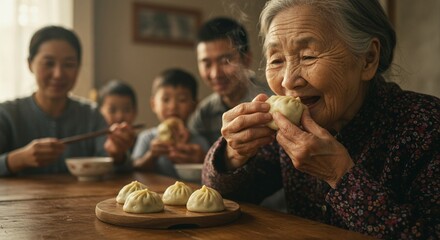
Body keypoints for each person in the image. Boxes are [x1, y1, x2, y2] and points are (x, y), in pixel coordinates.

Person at [202, 0, 440, 239]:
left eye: (308, 56)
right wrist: (235, 154)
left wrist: (340, 176)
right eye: (276, 60)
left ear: (368, 59)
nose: (287, 82)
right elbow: (221, 198)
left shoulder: (427, 125)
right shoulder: (287, 130)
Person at [0, 26, 136, 177]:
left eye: (69, 64)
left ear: (78, 68)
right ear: (30, 64)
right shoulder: (7, 115)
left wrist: (117, 154)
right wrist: (18, 159)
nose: (58, 74)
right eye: (49, 63)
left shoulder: (91, 115)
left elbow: (118, 168)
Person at [188, 17, 273, 146]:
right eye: (207, 64)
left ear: (246, 59)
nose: (215, 74)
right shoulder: (203, 114)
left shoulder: (272, 101)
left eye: (225, 61)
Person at [132, 68, 210, 179]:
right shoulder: (147, 138)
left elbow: (209, 174)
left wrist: (200, 159)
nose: (173, 106)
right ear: (153, 104)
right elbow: (135, 168)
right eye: (165, 99)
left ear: (194, 105)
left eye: (182, 100)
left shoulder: (199, 142)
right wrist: (151, 155)